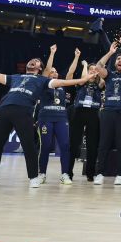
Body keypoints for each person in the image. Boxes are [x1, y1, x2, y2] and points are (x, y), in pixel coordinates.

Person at [0, 58, 93, 188]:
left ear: (40, 68)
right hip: (4, 110)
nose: (33, 61)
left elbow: (63, 82)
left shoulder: (43, 80)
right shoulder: (15, 77)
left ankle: (33, 177)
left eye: (36, 61)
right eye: (32, 60)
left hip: (23, 111)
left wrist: (83, 79)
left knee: (28, 145)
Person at [93, 41, 121, 186]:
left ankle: (120, 174)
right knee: (104, 143)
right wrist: (110, 53)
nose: (120, 60)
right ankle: (99, 173)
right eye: (118, 59)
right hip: (108, 112)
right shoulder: (109, 75)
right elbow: (98, 66)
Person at [37, 45, 78, 185]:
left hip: (61, 118)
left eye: (56, 72)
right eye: (52, 72)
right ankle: (42, 174)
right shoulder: (42, 83)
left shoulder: (62, 85)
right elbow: (47, 69)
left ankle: (65, 174)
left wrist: (76, 57)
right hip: (46, 118)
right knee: (46, 146)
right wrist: (52, 53)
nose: (54, 73)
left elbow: (71, 72)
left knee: (65, 145)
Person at [67, 59, 103, 182]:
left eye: (95, 70)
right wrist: (86, 65)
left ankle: (90, 173)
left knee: (92, 145)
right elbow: (83, 78)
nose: (93, 71)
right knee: (74, 143)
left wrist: (99, 69)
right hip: (79, 113)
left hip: (93, 114)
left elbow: (103, 77)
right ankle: (68, 172)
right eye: (90, 70)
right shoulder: (81, 83)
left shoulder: (99, 85)